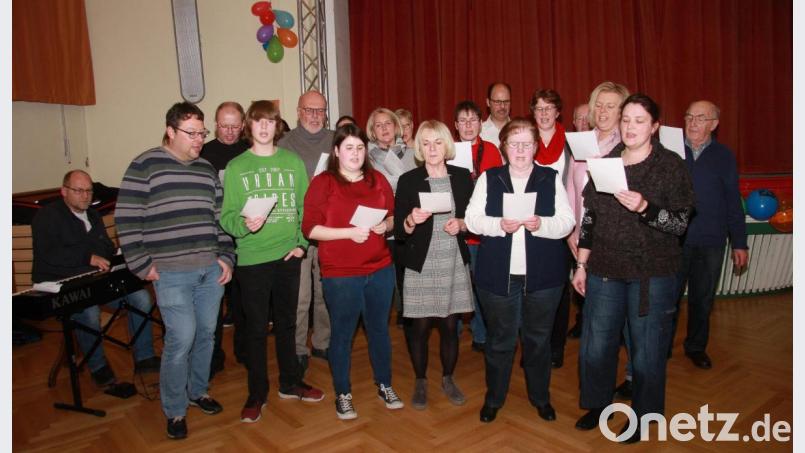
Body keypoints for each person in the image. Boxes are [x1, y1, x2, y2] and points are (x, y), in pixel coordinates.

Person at [572, 94, 694, 443]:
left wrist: (646, 207)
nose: (630, 126)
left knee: (646, 351)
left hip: (651, 275)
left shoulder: (669, 165)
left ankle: (644, 415)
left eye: (639, 120)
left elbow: (681, 223)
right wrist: (581, 264)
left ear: (654, 126)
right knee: (595, 347)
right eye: (625, 119)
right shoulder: (606, 161)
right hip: (604, 270)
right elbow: (591, 218)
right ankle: (598, 404)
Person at [116, 102, 235, 440]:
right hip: (169, 273)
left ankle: (198, 392)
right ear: (170, 131)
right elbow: (126, 219)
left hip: (209, 272)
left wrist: (226, 256)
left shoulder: (206, 170)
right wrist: (140, 264)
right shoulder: (145, 165)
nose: (199, 139)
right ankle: (175, 409)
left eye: (202, 133)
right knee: (181, 338)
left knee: (207, 335)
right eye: (192, 133)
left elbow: (220, 217)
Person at [466, 118, 575, 424]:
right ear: (504, 147)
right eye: (514, 143)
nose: (521, 150)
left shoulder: (549, 177)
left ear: (536, 147)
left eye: (527, 143)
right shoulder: (490, 177)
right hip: (498, 275)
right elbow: (472, 219)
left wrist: (542, 224)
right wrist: (498, 224)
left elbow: (567, 221)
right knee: (500, 341)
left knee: (538, 340)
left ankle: (540, 398)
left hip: (543, 277)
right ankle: (494, 398)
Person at [221, 100, 324, 424]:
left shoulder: (291, 162)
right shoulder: (238, 167)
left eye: (270, 121)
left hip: (287, 255)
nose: (264, 127)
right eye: (258, 122)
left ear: (277, 125)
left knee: (288, 323)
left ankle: (290, 382)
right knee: (254, 328)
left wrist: (301, 243)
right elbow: (226, 216)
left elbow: (306, 207)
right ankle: (257, 392)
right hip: (252, 259)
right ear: (249, 127)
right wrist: (242, 226)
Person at [302, 124, 404, 420]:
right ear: (336, 152)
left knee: (379, 332)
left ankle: (384, 384)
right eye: (349, 148)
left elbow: (392, 218)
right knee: (343, 335)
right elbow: (310, 228)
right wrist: (349, 233)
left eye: (360, 148)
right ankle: (343, 392)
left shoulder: (378, 180)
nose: (355, 153)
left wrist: (384, 226)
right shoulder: (324, 183)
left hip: (380, 269)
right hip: (341, 273)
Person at [32, 170, 159, 387]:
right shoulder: (47, 216)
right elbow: (50, 253)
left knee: (142, 299)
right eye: (79, 190)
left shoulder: (93, 214)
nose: (85, 196)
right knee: (89, 312)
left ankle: (144, 357)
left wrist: (98, 254)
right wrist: (88, 256)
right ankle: (98, 367)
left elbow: (106, 246)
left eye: (89, 191)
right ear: (64, 191)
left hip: (94, 280)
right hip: (61, 285)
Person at [394, 120, 474, 410]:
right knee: (419, 327)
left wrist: (462, 224)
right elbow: (401, 231)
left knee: (450, 326)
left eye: (437, 142)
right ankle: (420, 380)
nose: (431, 149)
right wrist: (411, 220)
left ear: (446, 145)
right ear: (419, 147)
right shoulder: (409, 180)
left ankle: (448, 378)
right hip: (421, 262)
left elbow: (473, 219)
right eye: (425, 143)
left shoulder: (463, 177)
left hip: (452, 258)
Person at [565, 81, 634, 397]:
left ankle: (634, 379)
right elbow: (570, 191)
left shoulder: (631, 146)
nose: (604, 111)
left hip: (618, 247)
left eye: (612, 106)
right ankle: (596, 398)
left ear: (623, 111)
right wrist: (571, 233)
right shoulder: (581, 143)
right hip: (582, 244)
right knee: (596, 329)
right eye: (600, 105)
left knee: (631, 325)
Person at [672, 100, 748, 370]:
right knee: (668, 298)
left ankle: (695, 347)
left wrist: (740, 243)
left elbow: (732, 201)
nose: (692, 122)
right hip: (673, 241)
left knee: (702, 299)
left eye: (700, 118)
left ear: (714, 124)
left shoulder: (724, 156)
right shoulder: (671, 150)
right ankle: (662, 347)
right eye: (689, 116)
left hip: (711, 242)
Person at [278, 91, 334, 376]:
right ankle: (298, 348)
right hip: (296, 230)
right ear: (298, 111)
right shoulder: (284, 144)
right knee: (299, 296)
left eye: (320, 110)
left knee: (325, 292)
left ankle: (322, 342)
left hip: (329, 229)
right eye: (309, 110)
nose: (315, 116)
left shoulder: (336, 140)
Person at [201, 101, 249, 378]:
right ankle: (212, 357)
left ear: (243, 125)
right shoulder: (203, 153)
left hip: (244, 237)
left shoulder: (248, 151)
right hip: (213, 239)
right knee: (212, 305)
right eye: (224, 126)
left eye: (235, 126)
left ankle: (244, 351)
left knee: (243, 303)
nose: (229, 132)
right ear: (215, 124)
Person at [453, 100, 504, 353]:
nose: (468, 125)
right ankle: (455, 331)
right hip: (456, 229)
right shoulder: (448, 150)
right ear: (455, 125)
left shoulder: (493, 150)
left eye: (473, 120)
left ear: (480, 123)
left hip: (482, 230)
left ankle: (482, 333)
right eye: (463, 121)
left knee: (482, 284)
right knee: (457, 285)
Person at [529, 89, 573, 370]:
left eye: (549, 108)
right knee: (529, 289)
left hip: (559, 224)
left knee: (558, 289)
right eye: (539, 108)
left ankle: (556, 347)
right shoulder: (523, 139)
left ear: (558, 112)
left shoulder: (571, 143)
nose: (544, 114)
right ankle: (533, 348)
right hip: (529, 223)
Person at [366, 107, 417, 326]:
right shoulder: (366, 158)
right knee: (386, 275)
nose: (384, 128)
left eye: (388, 123)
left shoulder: (414, 154)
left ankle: (409, 309)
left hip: (408, 221)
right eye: (379, 125)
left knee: (408, 270)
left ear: (396, 126)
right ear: (372, 131)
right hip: (379, 222)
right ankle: (386, 313)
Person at [480, 82, 512, 147]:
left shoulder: (519, 130)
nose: (502, 106)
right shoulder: (479, 132)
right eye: (497, 102)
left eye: (506, 101)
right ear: (488, 102)